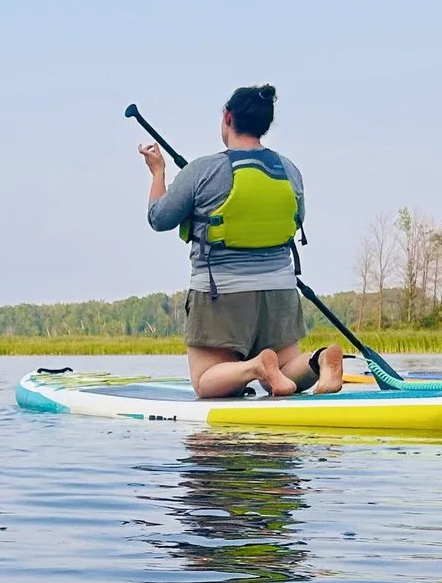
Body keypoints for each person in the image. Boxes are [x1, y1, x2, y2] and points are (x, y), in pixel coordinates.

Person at [142, 84, 346, 399]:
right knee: (286, 366)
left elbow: (159, 218)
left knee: (206, 380)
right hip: (279, 289)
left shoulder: (202, 170)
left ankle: (256, 367)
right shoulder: (289, 170)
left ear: (228, 117)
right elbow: (297, 219)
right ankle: (319, 360)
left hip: (221, 293)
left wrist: (158, 172)